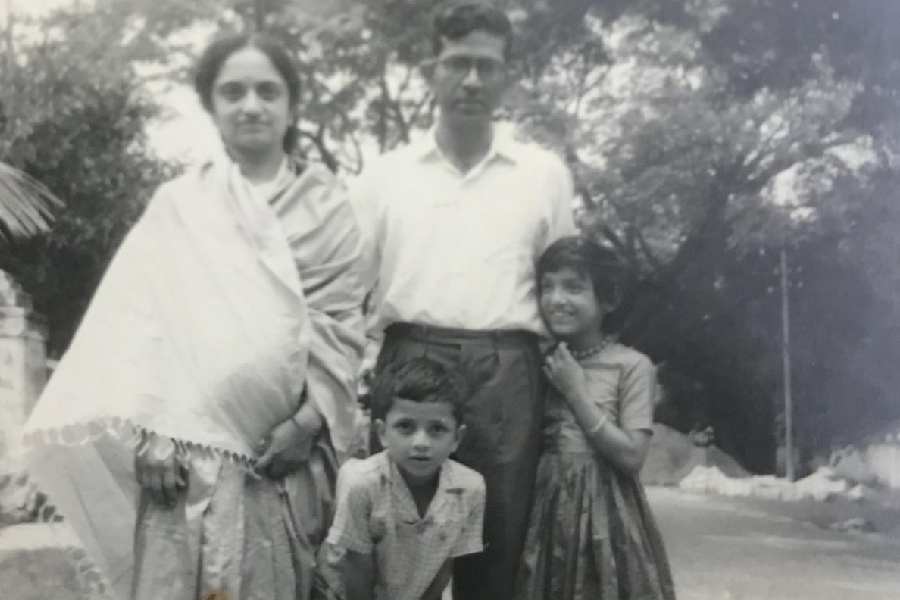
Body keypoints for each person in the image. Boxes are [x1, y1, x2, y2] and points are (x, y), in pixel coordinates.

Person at [21, 32, 367, 600]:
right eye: (232, 92)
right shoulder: (180, 206)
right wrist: (153, 434)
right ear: (211, 105)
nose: (250, 104)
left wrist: (305, 428)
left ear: (293, 105)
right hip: (180, 459)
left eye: (266, 91)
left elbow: (341, 328)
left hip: (281, 455)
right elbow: (136, 329)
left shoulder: (328, 208)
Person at [350, 3, 576, 598]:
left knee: (496, 544)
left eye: (487, 66)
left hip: (508, 372)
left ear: (506, 75)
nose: (472, 80)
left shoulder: (543, 174)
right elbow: (343, 290)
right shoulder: (384, 177)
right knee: (400, 544)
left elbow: (565, 291)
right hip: (409, 361)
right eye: (457, 64)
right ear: (433, 70)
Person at [514, 236, 677, 600]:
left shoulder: (632, 366)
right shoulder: (540, 361)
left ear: (608, 299)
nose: (557, 299)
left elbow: (632, 456)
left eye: (573, 288)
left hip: (608, 515)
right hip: (545, 510)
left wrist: (575, 392)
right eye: (547, 287)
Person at [316, 357, 486, 600]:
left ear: (457, 438)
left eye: (437, 429)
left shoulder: (469, 488)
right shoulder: (361, 482)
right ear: (382, 433)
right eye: (406, 427)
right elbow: (354, 567)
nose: (421, 443)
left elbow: (443, 565)